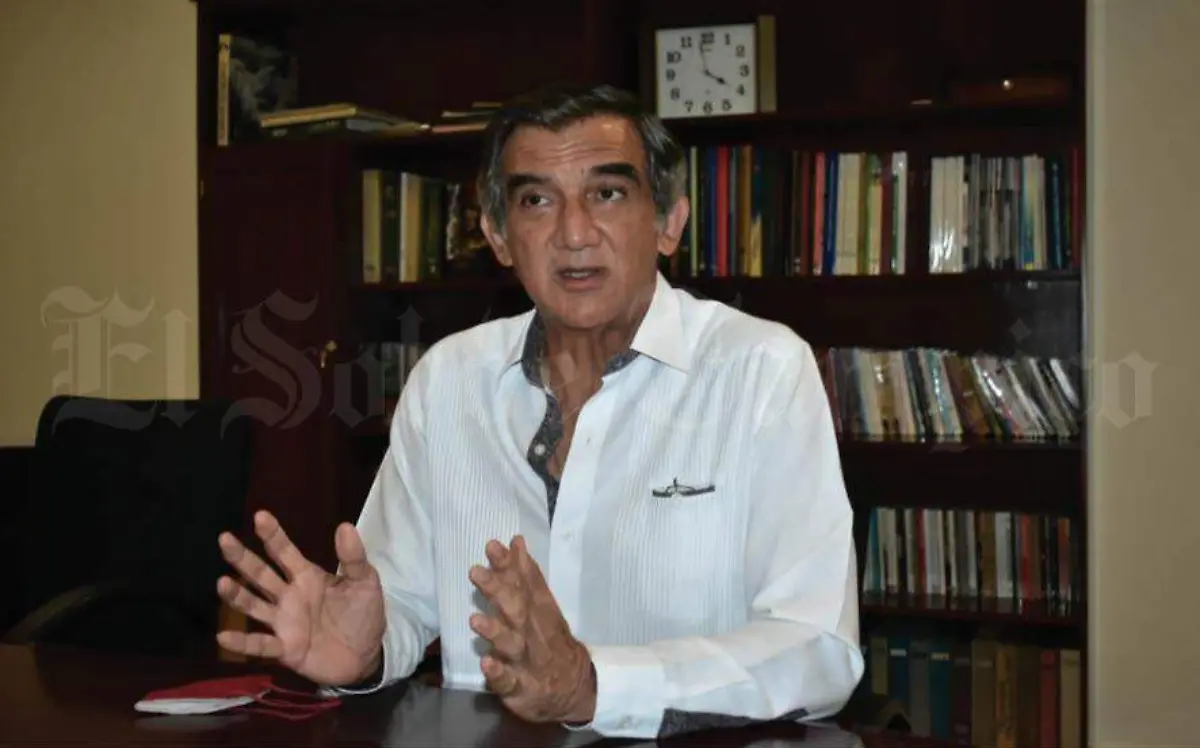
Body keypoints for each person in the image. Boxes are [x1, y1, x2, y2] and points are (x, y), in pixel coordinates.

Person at [215, 82, 864, 740]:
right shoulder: (448, 379)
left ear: (669, 223)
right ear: (498, 237)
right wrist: (368, 652)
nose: (573, 234)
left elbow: (816, 648)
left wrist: (593, 685)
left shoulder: (761, 371)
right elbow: (399, 600)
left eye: (608, 193)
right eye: (537, 201)